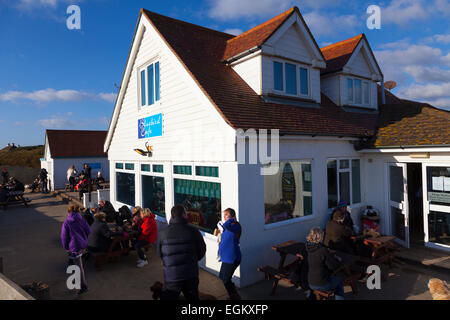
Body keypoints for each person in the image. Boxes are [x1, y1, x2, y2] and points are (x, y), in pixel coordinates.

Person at [157, 205, 206, 300]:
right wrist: (193, 260)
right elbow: (202, 250)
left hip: (172, 276)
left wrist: (170, 263)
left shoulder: (162, 233)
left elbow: (160, 254)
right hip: (190, 274)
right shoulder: (194, 231)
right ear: (184, 215)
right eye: (186, 213)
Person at [306, 227, 344, 300]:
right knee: (338, 280)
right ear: (320, 237)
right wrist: (337, 259)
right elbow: (333, 266)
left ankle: (309, 297)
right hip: (322, 284)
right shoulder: (322, 250)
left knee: (315, 283)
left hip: (310, 282)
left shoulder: (308, 248)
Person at [61, 205, 91, 295]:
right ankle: (76, 281)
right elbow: (88, 231)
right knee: (76, 264)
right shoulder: (82, 219)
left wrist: (66, 247)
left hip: (73, 247)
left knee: (78, 266)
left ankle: (83, 286)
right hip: (81, 245)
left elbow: (64, 237)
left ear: (69, 212)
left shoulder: (67, 222)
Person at [218, 208, 242, 300]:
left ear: (232, 216)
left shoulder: (236, 226)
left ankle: (235, 297)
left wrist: (232, 219)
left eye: (226, 215)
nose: (224, 217)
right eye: (223, 215)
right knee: (223, 277)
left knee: (226, 279)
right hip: (226, 258)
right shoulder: (228, 228)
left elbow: (226, 225)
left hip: (233, 258)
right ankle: (233, 292)